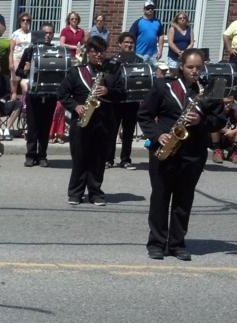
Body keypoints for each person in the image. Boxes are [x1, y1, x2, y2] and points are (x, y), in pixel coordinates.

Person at [138, 48, 227, 261]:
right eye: (190, 67)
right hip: (165, 148)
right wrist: (158, 135)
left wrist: (202, 121)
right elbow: (145, 115)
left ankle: (177, 243)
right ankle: (157, 242)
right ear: (181, 66)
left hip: (193, 152)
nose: (194, 72)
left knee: (184, 199)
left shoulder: (210, 90)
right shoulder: (163, 86)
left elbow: (220, 121)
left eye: (198, 67)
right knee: (160, 197)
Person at [58, 36, 125, 206]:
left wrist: (108, 91)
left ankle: (95, 192)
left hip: (104, 121)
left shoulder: (112, 71)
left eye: (101, 51)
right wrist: (76, 107)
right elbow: (63, 94)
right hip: (81, 121)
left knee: (98, 159)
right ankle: (75, 192)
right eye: (95, 51)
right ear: (88, 52)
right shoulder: (76, 72)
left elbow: (123, 94)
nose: (99, 55)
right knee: (80, 157)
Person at [16, 23, 57, 167]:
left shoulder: (55, 51)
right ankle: (30, 155)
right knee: (32, 126)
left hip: (50, 94)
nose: (48, 35)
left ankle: (42, 156)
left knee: (45, 127)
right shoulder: (30, 50)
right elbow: (18, 72)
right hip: (34, 94)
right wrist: (25, 69)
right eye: (45, 32)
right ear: (40, 33)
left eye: (50, 33)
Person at [108, 32, 143, 170]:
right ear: (120, 44)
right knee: (112, 131)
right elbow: (109, 79)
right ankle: (108, 159)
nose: (129, 45)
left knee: (128, 133)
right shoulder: (113, 60)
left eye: (131, 43)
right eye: (126, 42)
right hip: (116, 100)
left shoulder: (139, 60)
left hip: (132, 101)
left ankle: (125, 159)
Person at [211, 95, 237, 164]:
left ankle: (232, 152)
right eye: (225, 103)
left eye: (229, 102)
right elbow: (208, 123)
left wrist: (233, 131)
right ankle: (217, 151)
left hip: (228, 137)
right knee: (214, 123)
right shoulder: (216, 109)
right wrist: (224, 130)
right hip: (214, 138)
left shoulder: (234, 110)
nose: (227, 105)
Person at [130, 1, 164, 65]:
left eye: (152, 8)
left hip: (153, 55)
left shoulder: (158, 22)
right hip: (139, 54)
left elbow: (161, 36)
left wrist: (160, 51)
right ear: (144, 9)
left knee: (153, 73)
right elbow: (131, 38)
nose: (150, 10)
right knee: (140, 73)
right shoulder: (138, 22)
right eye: (148, 8)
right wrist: (132, 52)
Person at [8, 12, 31, 103]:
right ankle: (13, 94)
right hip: (17, 58)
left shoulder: (31, 34)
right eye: (23, 20)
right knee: (15, 78)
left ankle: (24, 99)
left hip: (27, 60)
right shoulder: (15, 34)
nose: (25, 22)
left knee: (26, 80)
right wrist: (11, 62)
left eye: (27, 20)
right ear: (20, 21)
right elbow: (11, 50)